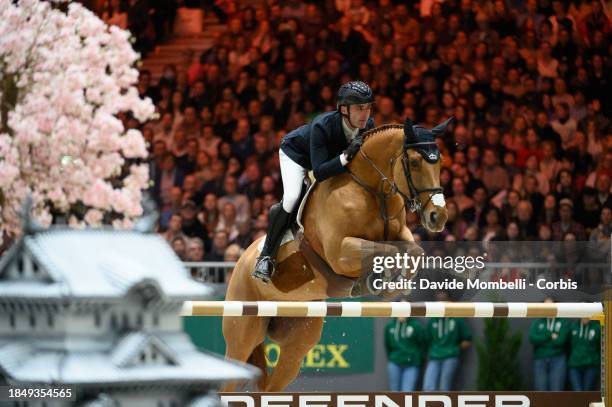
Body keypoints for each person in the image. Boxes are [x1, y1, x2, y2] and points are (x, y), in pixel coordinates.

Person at [252, 81, 375, 283]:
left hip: (330, 160)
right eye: (360, 108)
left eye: (368, 107)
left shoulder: (368, 126)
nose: (366, 113)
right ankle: (266, 257)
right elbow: (319, 172)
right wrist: (346, 156)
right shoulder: (322, 125)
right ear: (344, 109)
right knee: (292, 197)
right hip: (298, 156)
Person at [422, 291, 472, 391]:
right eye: (438, 301)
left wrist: (454, 349)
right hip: (435, 357)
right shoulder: (433, 319)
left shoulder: (457, 318)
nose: (441, 304)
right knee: (428, 387)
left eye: (444, 301)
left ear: (450, 302)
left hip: (450, 358)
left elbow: (467, 339)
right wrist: (433, 349)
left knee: (444, 388)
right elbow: (427, 338)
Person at [528, 296, 571, 391]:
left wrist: (542, 338)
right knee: (540, 389)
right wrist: (550, 335)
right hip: (540, 358)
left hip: (558, 359)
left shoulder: (563, 321)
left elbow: (561, 341)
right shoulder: (538, 321)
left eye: (550, 306)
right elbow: (532, 338)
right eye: (545, 306)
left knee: (556, 389)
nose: (548, 308)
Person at [384, 307, 426, 391]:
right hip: (395, 363)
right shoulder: (389, 325)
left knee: (407, 392)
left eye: (404, 309)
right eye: (400, 308)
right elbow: (387, 345)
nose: (402, 312)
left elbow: (423, 344)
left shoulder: (416, 325)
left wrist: (416, 358)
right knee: (394, 392)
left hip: (411, 364)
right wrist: (393, 357)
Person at [568, 316, 601, 391]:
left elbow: (601, 345)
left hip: (591, 365)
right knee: (577, 392)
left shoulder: (597, 327)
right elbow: (567, 344)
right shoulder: (573, 326)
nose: (585, 318)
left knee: (588, 392)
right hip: (575, 365)